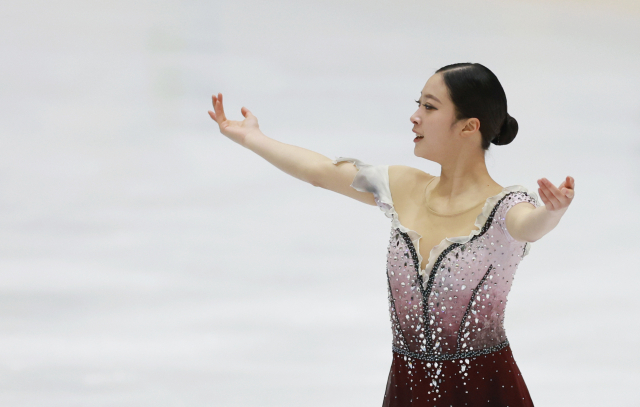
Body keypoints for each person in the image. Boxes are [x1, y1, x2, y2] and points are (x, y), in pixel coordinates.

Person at [208, 62, 575, 406]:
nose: (414, 117)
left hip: (484, 390)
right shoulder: (404, 186)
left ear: (468, 126)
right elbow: (319, 171)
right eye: (418, 105)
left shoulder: (505, 207)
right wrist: (251, 138)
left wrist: (552, 212)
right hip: (407, 389)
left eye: (430, 108)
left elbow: (530, 225)